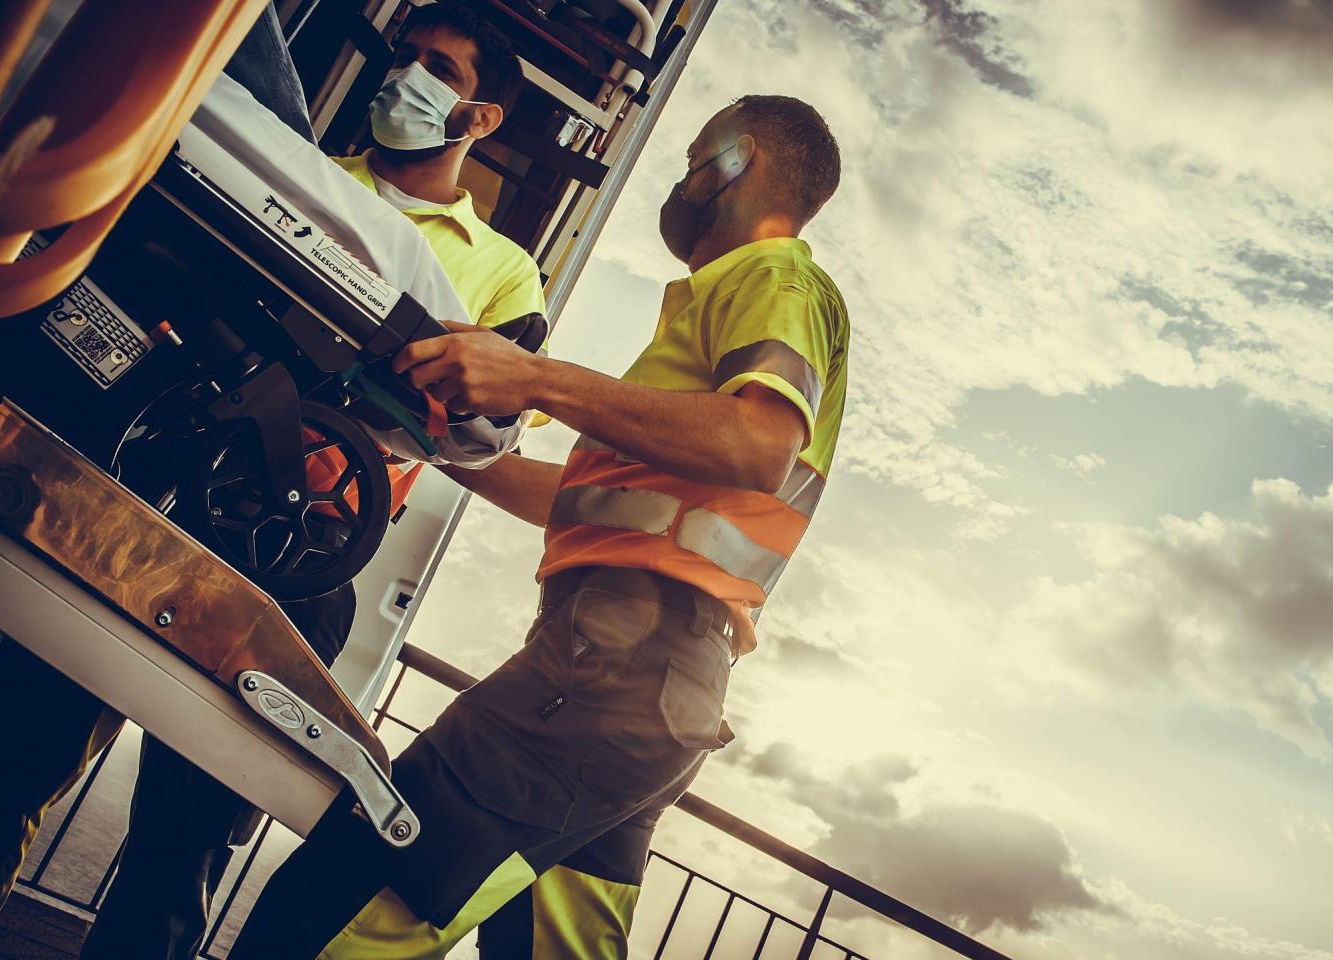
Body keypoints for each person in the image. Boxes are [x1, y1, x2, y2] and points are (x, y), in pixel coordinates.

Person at [228, 92, 848, 960]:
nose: (684, 175)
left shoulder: (774, 276)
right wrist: (433, 441)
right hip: (658, 693)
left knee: (326, 917)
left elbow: (760, 443)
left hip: (609, 679)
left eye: (693, 157)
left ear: (736, 162)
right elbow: (583, 502)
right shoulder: (728, 312)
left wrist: (537, 378)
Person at [73, 5, 545, 959]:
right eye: (402, 56)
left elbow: (487, 418)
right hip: (159, 470)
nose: (405, 77)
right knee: (24, 740)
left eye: (438, 70)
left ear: (480, 118)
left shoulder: (501, 271)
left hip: (297, 538)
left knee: (184, 830)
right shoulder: (298, 178)